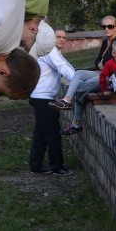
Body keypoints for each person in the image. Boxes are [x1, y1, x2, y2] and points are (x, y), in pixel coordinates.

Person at [58, 15, 116, 135]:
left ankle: (76, 123)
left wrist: (103, 64)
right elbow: (97, 62)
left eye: (110, 26)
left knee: (80, 88)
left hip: (111, 78)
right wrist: (102, 64)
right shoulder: (106, 41)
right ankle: (67, 100)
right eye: (104, 26)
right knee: (79, 74)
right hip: (101, 73)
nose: (107, 29)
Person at [28, 27, 76, 175]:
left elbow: (68, 67)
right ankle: (57, 167)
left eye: (64, 37)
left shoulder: (56, 53)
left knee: (41, 133)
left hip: (40, 97)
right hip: (43, 98)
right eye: (58, 36)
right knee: (53, 134)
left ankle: (36, 165)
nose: (61, 39)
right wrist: (79, 82)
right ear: (51, 39)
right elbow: (64, 70)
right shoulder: (50, 52)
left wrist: (79, 77)